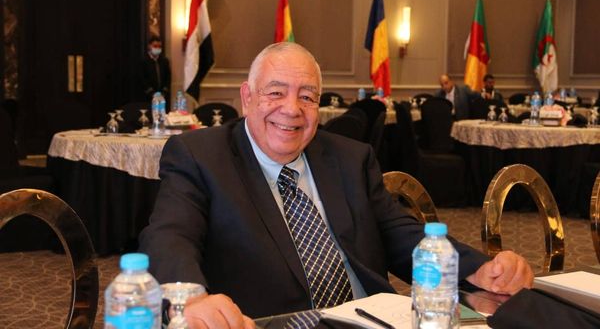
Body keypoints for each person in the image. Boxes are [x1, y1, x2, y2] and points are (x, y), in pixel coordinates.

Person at [139, 43, 533, 328]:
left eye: (306, 96)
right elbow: (169, 236)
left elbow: (399, 235)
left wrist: (480, 269)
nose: (291, 109)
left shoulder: (349, 157)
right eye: (275, 92)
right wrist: (190, 297)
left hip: (373, 319)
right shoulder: (200, 156)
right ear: (247, 97)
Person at [141, 35, 171, 103]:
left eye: (159, 46)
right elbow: (142, 79)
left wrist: (164, 92)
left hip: (162, 97)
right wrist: (152, 93)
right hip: (147, 97)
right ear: (149, 46)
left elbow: (168, 78)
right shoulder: (143, 61)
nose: (157, 48)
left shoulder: (165, 61)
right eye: (155, 46)